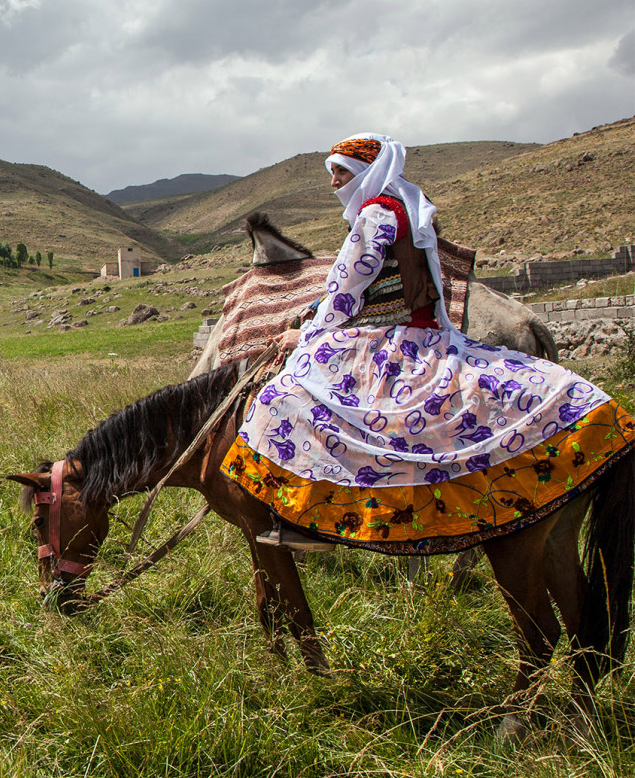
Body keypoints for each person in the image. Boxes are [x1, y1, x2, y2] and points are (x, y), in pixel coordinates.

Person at [221, 134, 631, 552]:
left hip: (390, 337)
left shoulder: (375, 213)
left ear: (366, 171)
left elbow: (345, 292)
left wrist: (303, 334)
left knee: (282, 396)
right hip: (418, 330)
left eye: (341, 171)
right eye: (332, 172)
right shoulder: (405, 205)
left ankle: (305, 519)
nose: (334, 182)